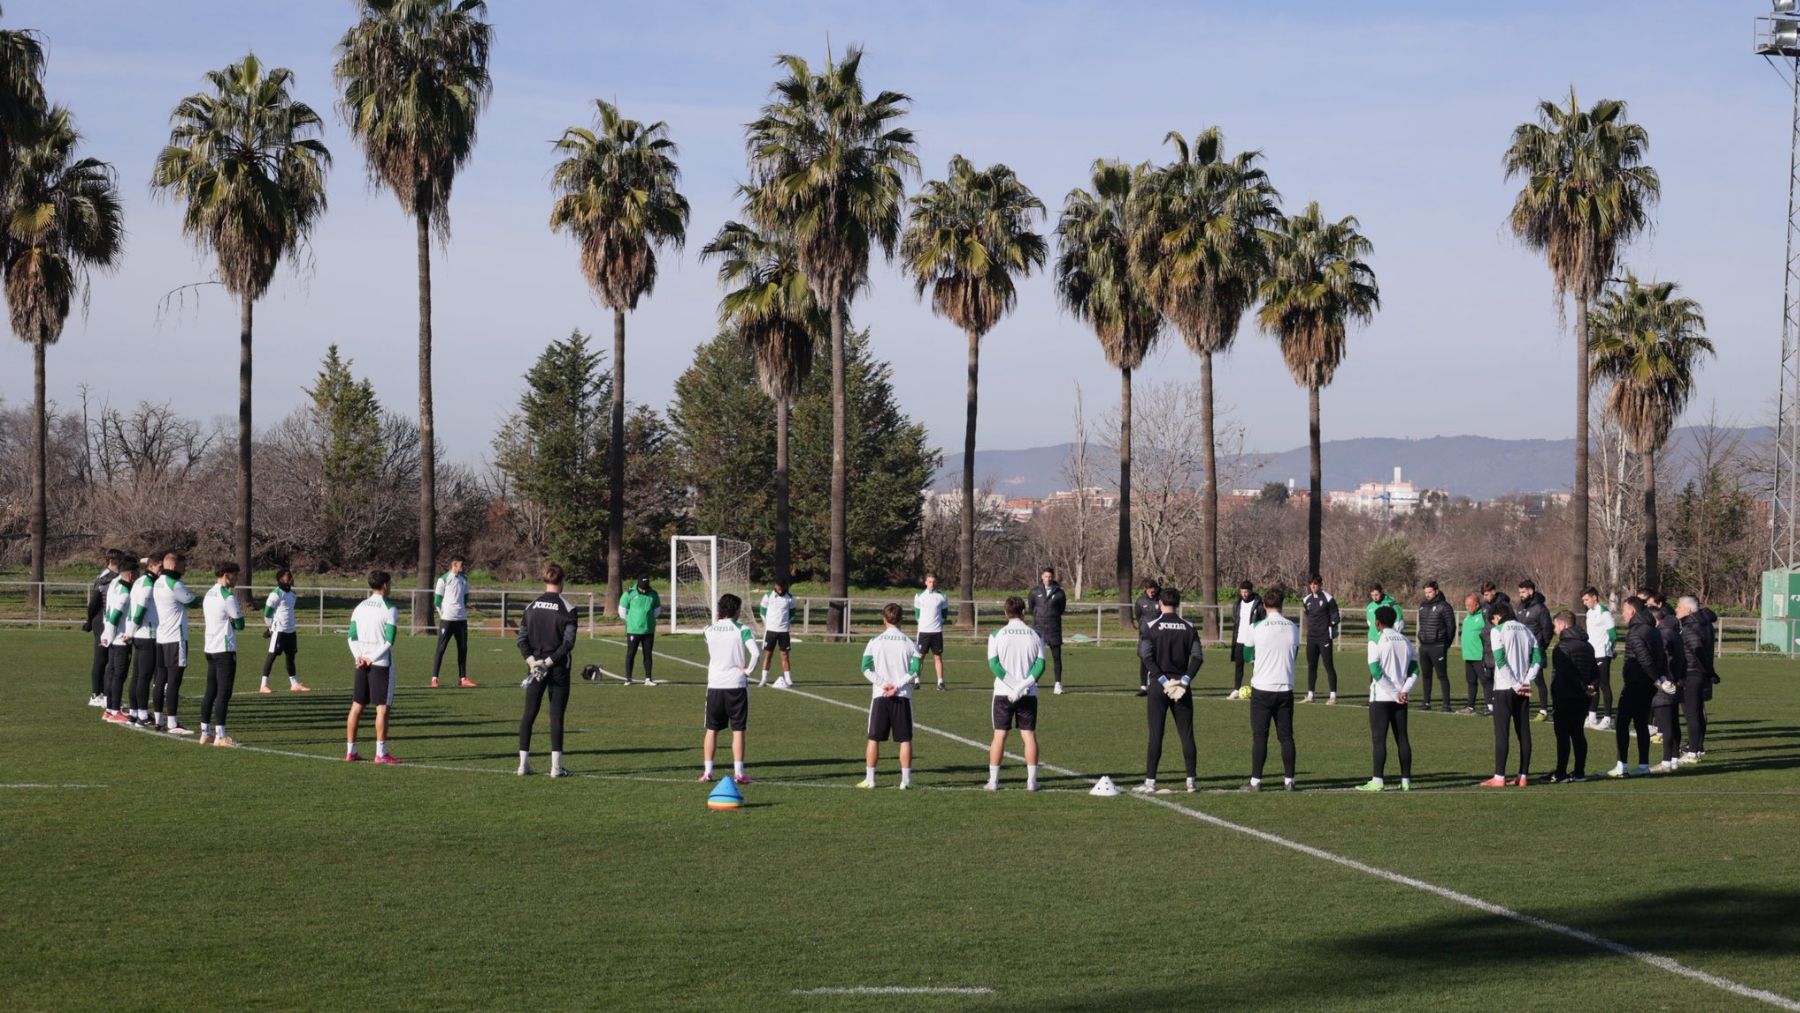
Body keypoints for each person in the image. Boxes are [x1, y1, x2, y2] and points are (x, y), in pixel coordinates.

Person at [1135, 586, 1204, 794]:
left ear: (1160, 604)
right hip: (1182, 687)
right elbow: (1198, 657)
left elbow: (1146, 657)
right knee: (1187, 734)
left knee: (1156, 734)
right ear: (1179, 604)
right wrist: (1184, 680)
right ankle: (1191, 781)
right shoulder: (1189, 627)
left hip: (1159, 685)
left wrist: (1164, 681)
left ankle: (1150, 782)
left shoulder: (1150, 626)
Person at [517, 564, 578, 777]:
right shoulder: (568, 609)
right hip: (558, 668)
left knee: (529, 714)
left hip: (534, 668)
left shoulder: (531, 607)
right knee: (556, 716)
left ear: (545, 581)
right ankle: (556, 768)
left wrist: (533, 661)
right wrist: (549, 662)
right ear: (562, 581)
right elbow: (568, 643)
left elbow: (521, 639)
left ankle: (523, 765)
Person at [1240, 589, 1301, 793]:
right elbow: (1295, 655)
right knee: (1286, 737)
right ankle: (1289, 780)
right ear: (1282, 605)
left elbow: (1248, 655)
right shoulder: (1293, 627)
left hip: (1262, 688)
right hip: (1285, 688)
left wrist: (1260, 661)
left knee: (1260, 736)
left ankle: (1256, 781)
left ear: (1264, 606)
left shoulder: (1256, 627)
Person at [858, 603, 922, 789]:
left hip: (880, 696)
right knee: (905, 739)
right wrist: (897, 686)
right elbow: (915, 670)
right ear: (901, 619)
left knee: (873, 738)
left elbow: (865, 668)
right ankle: (906, 781)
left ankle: (870, 779)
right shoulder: (910, 643)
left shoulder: (874, 641)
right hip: (902, 696)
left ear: (884, 619)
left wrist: (883, 684)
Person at [986, 596, 1046, 791]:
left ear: (1005, 612)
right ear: (1024, 611)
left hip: (1004, 693)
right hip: (1028, 693)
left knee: (999, 735)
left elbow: (994, 664)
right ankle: (1031, 781)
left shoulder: (996, 635)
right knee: (1028, 735)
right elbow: (1040, 665)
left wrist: (1013, 687)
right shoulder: (1036, 634)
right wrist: (1022, 686)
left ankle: (993, 781)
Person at [699, 593, 759, 784]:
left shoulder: (708, 630)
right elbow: (756, 653)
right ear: (736, 610)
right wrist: (748, 671)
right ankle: (739, 773)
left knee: (711, 729)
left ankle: (708, 772)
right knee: (738, 730)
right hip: (736, 685)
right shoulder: (742, 629)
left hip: (715, 684)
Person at [345, 571, 402, 764]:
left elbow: (351, 637)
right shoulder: (390, 609)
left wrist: (359, 658)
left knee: (356, 706)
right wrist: (371, 658)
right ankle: (381, 753)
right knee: (383, 708)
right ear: (385, 585)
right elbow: (389, 642)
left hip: (361, 663)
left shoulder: (359, 607)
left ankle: (351, 751)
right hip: (381, 664)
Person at [1479, 602, 1537, 787]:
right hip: (1523, 687)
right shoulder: (1527, 630)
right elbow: (1538, 659)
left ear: (1498, 615)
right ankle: (1523, 775)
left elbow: (1500, 660)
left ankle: (1499, 776)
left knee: (1502, 732)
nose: (1493, 623)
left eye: (1493, 619)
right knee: (1524, 731)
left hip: (1505, 687)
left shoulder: (1498, 631)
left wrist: (1514, 684)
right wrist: (1526, 681)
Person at [1360, 605, 1417, 792]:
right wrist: (1404, 691)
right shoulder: (1406, 641)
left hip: (1382, 697)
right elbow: (1415, 671)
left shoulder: (1376, 641)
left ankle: (1377, 781)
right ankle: (1406, 780)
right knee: (1402, 738)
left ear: (1377, 622)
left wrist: (1394, 692)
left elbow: (1375, 671)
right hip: (1401, 698)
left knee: (1379, 740)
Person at [1606, 596, 1662, 778]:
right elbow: (1660, 656)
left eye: (1624, 609)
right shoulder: (1653, 630)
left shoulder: (1636, 632)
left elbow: (1644, 657)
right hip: (1647, 685)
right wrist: (1659, 678)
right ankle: (1644, 765)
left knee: (1622, 722)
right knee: (1640, 723)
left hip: (1636, 683)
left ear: (1633, 611)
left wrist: (1656, 678)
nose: (1622, 613)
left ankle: (1622, 766)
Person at [1547, 610, 1599, 783]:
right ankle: (1579, 772)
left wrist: (1583, 686)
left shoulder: (1562, 647)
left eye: (1555, 626)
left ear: (1563, 625)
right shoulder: (1588, 646)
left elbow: (1566, 673)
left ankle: (1561, 773)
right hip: (1583, 698)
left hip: (1565, 695)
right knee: (1578, 733)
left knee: (1562, 735)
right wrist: (1592, 686)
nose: (1554, 630)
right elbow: (1595, 670)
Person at [198, 562, 246, 747]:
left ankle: (205, 733)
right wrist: (233, 623)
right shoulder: (228, 596)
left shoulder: (209, 593)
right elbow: (240, 624)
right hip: (224, 648)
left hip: (209, 647)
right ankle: (221, 735)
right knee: (223, 693)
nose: (236, 579)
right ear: (226, 575)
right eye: (235, 575)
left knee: (210, 691)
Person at [152, 550, 197, 735]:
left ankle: (158, 719)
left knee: (160, 680)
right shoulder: (174, 583)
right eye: (183, 564)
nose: (185, 568)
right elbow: (192, 601)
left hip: (161, 636)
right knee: (174, 681)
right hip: (175, 638)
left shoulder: (159, 581)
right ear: (174, 565)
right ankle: (172, 723)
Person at [1675, 595, 1718, 764]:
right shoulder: (1704, 624)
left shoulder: (1691, 627)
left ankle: (1692, 752)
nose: (1676, 609)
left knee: (1691, 714)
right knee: (1698, 713)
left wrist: (1710, 672)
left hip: (1692, 674)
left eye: (1679, 606)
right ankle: (1698, 748)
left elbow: (1697, 651)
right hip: (1700, 674)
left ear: (1688, 609)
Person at [98, 556, 140, 724]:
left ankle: (109, 709)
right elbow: (114, 617)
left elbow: (108, 612)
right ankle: (115, 711)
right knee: (118, 676)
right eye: (136, 575)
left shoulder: (115, 585)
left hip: (113, 637)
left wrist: (106, 634)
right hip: (120, 639)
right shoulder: (124, 593)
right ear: (130, 575)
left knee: (113, 673)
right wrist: (109, 635)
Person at [82, 549, 125, 707]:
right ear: (114, 561)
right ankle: (96, 694)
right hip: (102, 620)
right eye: (121, 561)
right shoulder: (105, 579)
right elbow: (94, 603)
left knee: (108, 658)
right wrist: (89, 621)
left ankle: (106, 693)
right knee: (102, 658)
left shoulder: (113, 577)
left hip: (107, 620)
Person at [260, 568, 310, 693]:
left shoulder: (293, 594)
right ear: (281, 579)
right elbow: (267, 614)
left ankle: (294, 684)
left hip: (291, 630)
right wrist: (271, 628)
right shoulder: (275, 594)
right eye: (288, 576)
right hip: (279, 631)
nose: (291, 578)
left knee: (290, 657)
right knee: (272, 655)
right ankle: (263, 685)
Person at [431, 555, 477, 688]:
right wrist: (443, 615)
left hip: (461, 620)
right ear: (454, 565)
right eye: (461, 565)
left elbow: (466, 596)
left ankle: (462, 678)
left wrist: (461, 609)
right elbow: (437, 600)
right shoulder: (443, 579)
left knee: (463, 649)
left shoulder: (464, 579)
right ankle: (435, 678)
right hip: (447, 620)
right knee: (441, 648)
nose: (463, 567)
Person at [127, 555, 162, 727]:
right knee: (144, 677)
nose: (162, 570)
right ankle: (142, 714)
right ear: (152, 565)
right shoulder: (148, 584)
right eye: (160, 566)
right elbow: (139, 611)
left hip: (140, 635)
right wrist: (131, 631)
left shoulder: (139, 582)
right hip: (148, 635)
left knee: (137, 675)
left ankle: (133, 712)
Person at [1515, 580, 1554, 721]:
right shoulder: (1520, 606)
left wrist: (1541, 645)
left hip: (1535, 650)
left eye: (1523, 592)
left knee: (1538, 680)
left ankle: (1543, 711)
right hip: (1521, 651)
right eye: (1519, 592)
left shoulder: (1540, 608)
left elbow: (1548, 630)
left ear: (1531, 591)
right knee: (1522, 679)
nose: (1521, 595)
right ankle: (1522, 707)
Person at [1415, 580, 1455, 712]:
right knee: (1426, 675)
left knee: (1442, 676)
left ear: (1436, 591)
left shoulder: (1444, 606)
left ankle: (1446, 704)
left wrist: (1445, 644)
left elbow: (1451, 627)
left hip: (1438, 646)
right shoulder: (1422, 606)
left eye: (1430, 592)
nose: (1427, 594)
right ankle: (1426, 702)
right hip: (1424, 646)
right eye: (1425, 592)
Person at [1580, 587, 1616, 730]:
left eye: (1586, 599)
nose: (1584, 602)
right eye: (1583, 600)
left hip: (1602, 653)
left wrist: (1611, 650)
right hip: (1591, 654)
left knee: (1603, 685)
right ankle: (1592, 715)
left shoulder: (1605, 613)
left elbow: (1613, 635)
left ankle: (1607, 718)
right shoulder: (1589, 613)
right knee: (1591, 685)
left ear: (1595, 597)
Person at [1027, 567, 1067, 695]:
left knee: (1056, 657)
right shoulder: (1034, 592)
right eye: (1045, 576)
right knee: (1036, 658)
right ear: (1042, 577)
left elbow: (1061, 609)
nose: (1047, 579)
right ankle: (1034, 683)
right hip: (1038, 629)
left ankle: (1058, 684)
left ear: (1053, 577)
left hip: (1054, 628)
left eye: (1050, 576)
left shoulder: (1060, 593)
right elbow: (1031, 608)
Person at [1301, 575, 1340, 704]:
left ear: (1321, 584)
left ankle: (1333, 696)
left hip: (1324, 638)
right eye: (1311, 584)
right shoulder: (1306, 600)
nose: (1313, 586)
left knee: (1329, 666)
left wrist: (1331, 627)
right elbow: (1308, 615)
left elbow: (1335, 616)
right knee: (1312, 666)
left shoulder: (1328, 599)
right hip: (1311, 638)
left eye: (1316, 584)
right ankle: (1310, 695)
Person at [618, 577, 661, 686]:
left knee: (648, 654)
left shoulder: (653, 594)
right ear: (638, 585)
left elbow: (657, 610)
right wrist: (631, 621)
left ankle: (648, 679)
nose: (643, 590)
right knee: (631, 654)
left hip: (648, 630)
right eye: (641, 588)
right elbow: (622, 610)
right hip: (633, 630)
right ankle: (628, 678)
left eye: (645, 588)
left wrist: (648, 620)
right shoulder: (629, 594)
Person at [1227, 580, 1266, 698]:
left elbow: (1263, 621)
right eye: (1242, 592)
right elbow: (1236, 620)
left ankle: (1258, 689)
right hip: (1239, 640)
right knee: (1239, 666)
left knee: (1256, 666)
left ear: (1251, 591)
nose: (1244, 594)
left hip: (1253, 642)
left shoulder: (1258, 604)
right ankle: (1236, 689)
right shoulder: (1237, 604)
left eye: (1246, 592)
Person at [913, 573, 950, 691]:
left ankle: (940, 682)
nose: (932, 584)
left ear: (936, 583)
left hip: (936, 632)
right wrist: (924, 625)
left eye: (933, 582)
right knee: (920, 657)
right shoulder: (919, 596)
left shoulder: (942, 596)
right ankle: (917, 680)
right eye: (929, 581)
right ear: (925, 582)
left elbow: (944, 614)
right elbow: (917, 614)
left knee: (937, 657)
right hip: (923, 632)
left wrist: (937, 624)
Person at [757, 579, 796, 688]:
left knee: (785, 656)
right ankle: (763, 679)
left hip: (784, 631)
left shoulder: (790, 598)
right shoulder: (768, 596)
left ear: (785, 586)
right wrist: (768, 624)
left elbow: (792, 614)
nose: (779, 588)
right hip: (770, 631)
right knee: (768, 655)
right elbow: (762, 612)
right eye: (777, 586)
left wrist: (785, 624)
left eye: (781, 586)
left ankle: (788, 680)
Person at [1133, 578, 1163, 697]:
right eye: (1149, 589)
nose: (1152, 591)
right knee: (1144, 660)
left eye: (1154, 588)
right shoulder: (1140, 601)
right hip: (1145, 635)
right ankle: (1143, 687)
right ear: (1146, 589)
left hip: (1159, 635)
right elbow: (1138, 616)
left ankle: (1155, 686)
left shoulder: (1161, 599)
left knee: (1157, 660)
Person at [1458, 593, 1487, 715]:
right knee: (1471, 682)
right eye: (1466, 605)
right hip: (1468, 656)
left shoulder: (1483, 616)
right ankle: (1470, 706)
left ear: (1477, 605)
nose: (1467, 607)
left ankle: (1490, 706)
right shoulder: (1467, 617)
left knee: (1485, 682)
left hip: (1479, 656)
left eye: (1470, 605)